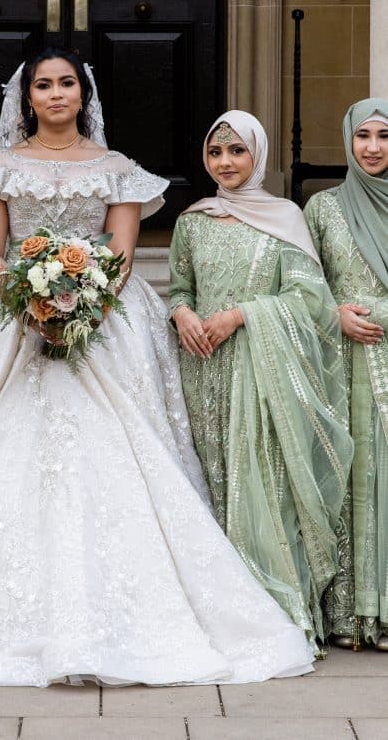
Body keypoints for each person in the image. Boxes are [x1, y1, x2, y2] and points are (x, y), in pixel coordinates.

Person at [0, 51, 315, 686]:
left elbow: (122, 252)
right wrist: (26, 302)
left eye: (67, 83)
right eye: (44, 85)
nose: (56, 93)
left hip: (106, 318)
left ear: (83, 93)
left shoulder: (118, 170)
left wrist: (87, 304)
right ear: (28, 99)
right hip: (11, 321)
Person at [168, 110, 353, 650]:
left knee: (263, 485)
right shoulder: (192, 220)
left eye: (236, 152)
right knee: (215, 479)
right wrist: (181, 315)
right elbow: (180, 288)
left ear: (257, 156)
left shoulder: (285, 218)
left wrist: (241, 315)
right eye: (215, 152)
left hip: (264, 372)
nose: (225, 162)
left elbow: (311, 299)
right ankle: (221, 616)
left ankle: (277, 616)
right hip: (203, 372)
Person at [304, 98, 388, 650]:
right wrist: (333, 313)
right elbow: (301, 284)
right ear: (347, 141)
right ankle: (354, 615)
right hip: (341, 364)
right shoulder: (321, 208)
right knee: (352, 475)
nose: (374, 148)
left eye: (385, 136)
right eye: (363, 136)